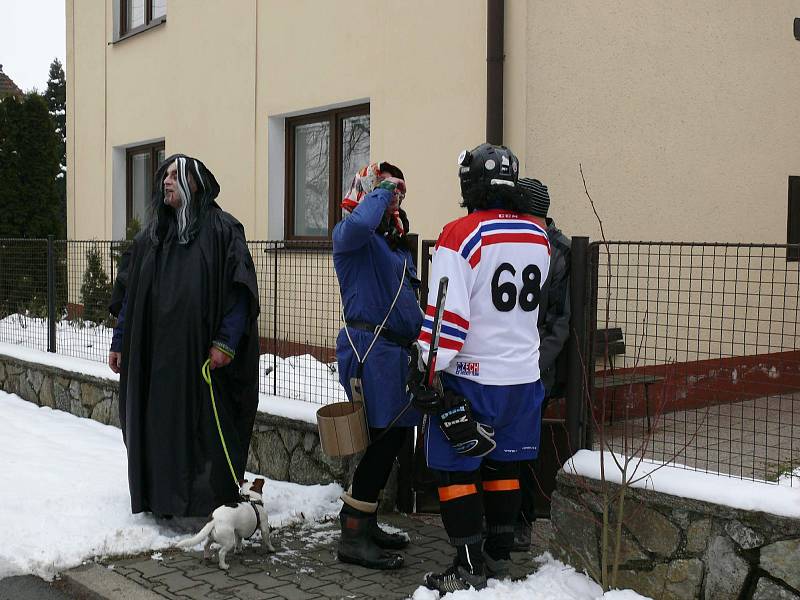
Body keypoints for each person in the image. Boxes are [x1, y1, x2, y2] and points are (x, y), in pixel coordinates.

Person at [409, 144, 550, 592]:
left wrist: (427, 372)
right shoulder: (537, 236)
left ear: (470, 184)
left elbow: (446, 317)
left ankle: (467, 565)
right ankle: (498, 556)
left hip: (473, 376)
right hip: (523, 377)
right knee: (504, 466)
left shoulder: (460, 234)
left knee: (456, 469)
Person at [108, 154, 260, 519]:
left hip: (201, 360)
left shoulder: (223, 231)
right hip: (155, 359)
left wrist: (226, 341)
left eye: (176, 175)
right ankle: (160, 500)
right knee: (157, 426)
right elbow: (130, 295)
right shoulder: (152, 237)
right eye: (165, 175)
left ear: (196, 184)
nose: (166, 181)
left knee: (203, 430)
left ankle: (206, 501)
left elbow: (239, 292)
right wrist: (120, 341)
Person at [332, 162, 423, 570]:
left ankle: (363, 520)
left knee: (391, 441)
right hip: (370, 352)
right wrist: (383, 189)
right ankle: (353, 532)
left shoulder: (388, 246)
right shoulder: (351, 235)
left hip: (394, 354)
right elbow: (360, 222)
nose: (394, 202)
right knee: (382, 440)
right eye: (387, 193)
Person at [513, 177, 571, 552]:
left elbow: (558, 323)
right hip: (507, 364)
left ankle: (522, 523)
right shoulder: (517, 244)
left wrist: (532, 367)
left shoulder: (558, 253)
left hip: (535, 370)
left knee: (522, 450)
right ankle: (502, 520)